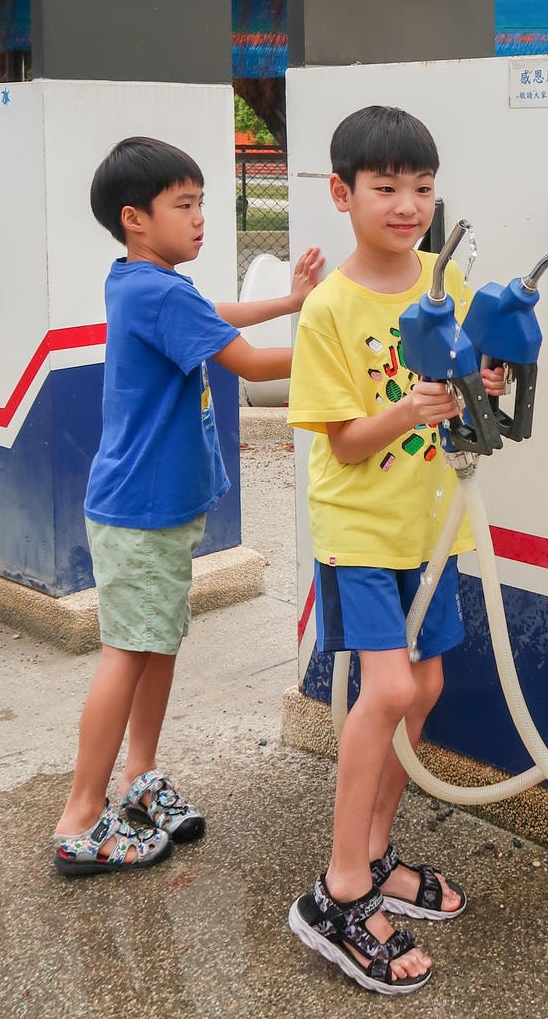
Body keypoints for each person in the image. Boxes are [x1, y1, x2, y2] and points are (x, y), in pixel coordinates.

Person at [53, 135, 323, 876]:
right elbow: (249, 362)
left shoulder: (141, 280)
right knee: (127, 652)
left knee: (156, 645)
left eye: (202, 202)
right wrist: (349, 350)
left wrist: (291, 301)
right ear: (135, 218)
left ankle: (140, 775)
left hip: (153, 510)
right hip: (139, 514)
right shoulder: (159, 291)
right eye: (185, 205)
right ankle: (80, 818)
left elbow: (212, 312)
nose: (201, 217)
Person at [286, 104, 506, 995]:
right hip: (361, 533)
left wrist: (485, 379)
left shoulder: (446, 286)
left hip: (431, 526)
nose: (408, 204)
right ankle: (338, 893)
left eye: (421, 187)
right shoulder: (328, 311)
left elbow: (471, 378)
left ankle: (374, 854)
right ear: (343, 195)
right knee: (385, 690)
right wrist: (411, 407)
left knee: (427, 685)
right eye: (386, 187)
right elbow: (343, 442)